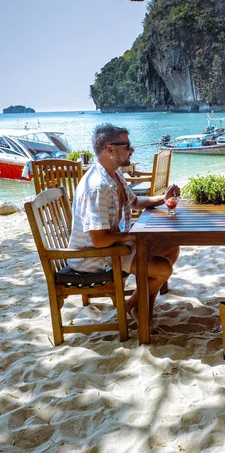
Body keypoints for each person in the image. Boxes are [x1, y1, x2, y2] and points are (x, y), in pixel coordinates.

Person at [68, 123, 180, 330]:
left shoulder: (114, 174)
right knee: (163, 269)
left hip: (112, 247)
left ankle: (142, 307)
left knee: (172, 248)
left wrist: (162, 199)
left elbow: (135, 202)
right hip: (95, 257)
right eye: (127, 146)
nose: (132, 150)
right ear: (110, 149)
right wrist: (133, 236)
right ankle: (131, 305)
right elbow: (99, 240)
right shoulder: (97, 187)